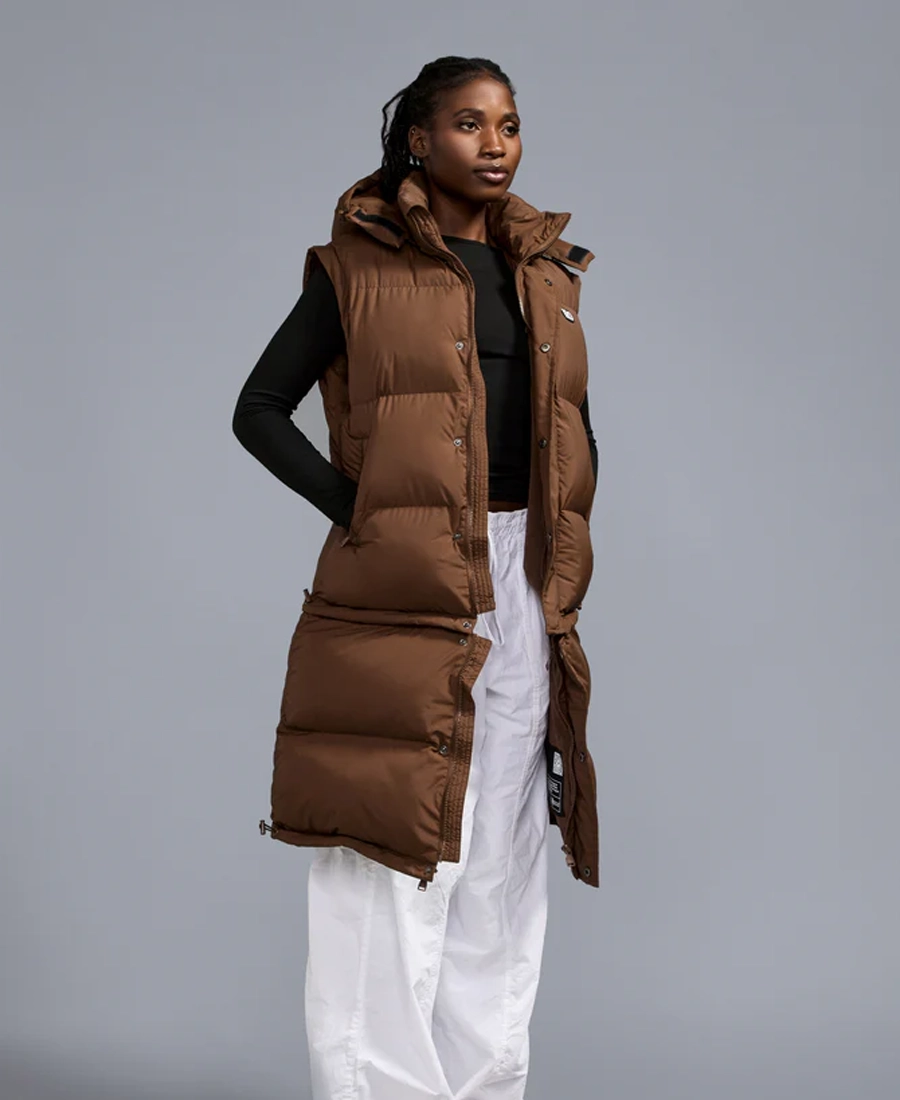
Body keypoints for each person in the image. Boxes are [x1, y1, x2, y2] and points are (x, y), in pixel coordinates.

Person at [233, 55, 600, 1100]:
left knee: (501, 858)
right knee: (393, 853)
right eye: (469, 123)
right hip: (405, 586)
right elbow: (259, 409)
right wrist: (362, 511)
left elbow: (572, 425)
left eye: (509, 124)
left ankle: (484, 1085)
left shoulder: (546, 273)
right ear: (418, 140)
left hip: (522, 581)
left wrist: (564, 543)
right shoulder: (355, 265)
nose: (495, 144)